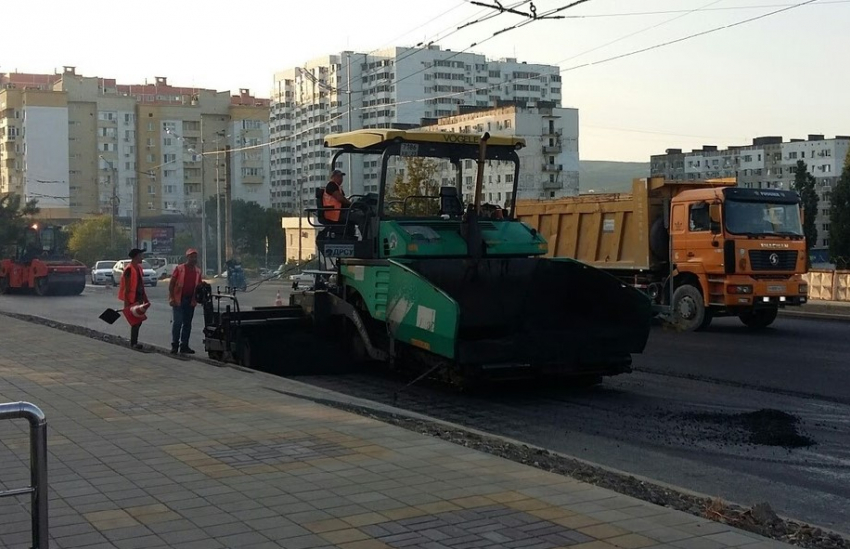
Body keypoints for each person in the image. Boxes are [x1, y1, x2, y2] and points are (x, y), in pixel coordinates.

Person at [168, 248, 202, 355]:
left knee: (187, 323)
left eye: (195, 257)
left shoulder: (197, 271)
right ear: (187, 257)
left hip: (190, 300)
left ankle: (184, 346)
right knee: (178, 323)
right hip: (179, 300)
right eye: (192, 257)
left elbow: (199, 286)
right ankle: (175, 346)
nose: (194, 259)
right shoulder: (180, 269)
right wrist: (172, 298)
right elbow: (172, 284)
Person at [118, 248, 150, 350]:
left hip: (139, 297)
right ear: (136, 256)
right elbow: (127, 288)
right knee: (136, 321)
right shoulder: (129, 269)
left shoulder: (139, 268)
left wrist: (145, 299)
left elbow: (141, 285)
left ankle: (134, 342)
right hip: (132, 299)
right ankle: (133, 343)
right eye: (141, 255)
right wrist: (127, 304)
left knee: (138, 320)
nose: (142, 257)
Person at [323, 169, 364, 236]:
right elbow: (340, 198)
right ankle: (366, 238)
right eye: (338, 177)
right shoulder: (331, 185)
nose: (341, 179)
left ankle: (351, 236)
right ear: (333, 177)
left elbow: (342, 199)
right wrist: (351, 204)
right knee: (361, 217)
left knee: (359, 214)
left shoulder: (338, 187)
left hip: (340, 212)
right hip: (335, 213)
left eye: (341, 177)